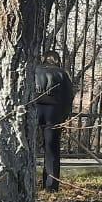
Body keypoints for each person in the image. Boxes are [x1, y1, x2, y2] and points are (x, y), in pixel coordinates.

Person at [35, 52, 75, 192]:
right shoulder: (62, 74)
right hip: (54, 113)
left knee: (28, 147)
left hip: (34, 110)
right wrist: (63, 118)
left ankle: (26, 182)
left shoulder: (34, 71)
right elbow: (68, 97)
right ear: (57, 60)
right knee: (52, 149)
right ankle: (51, 186)